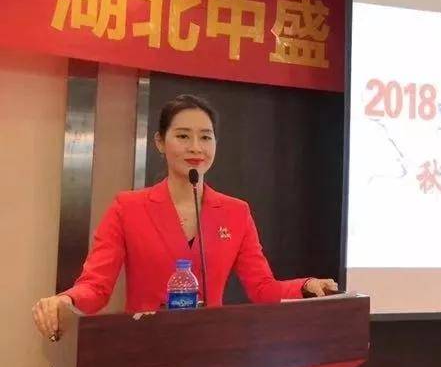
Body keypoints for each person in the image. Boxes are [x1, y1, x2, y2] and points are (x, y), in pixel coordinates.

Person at [32, 94, 337, 340]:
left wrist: (306, 285)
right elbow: (96, 287)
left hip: (212, 348)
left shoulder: (236, 212)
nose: (195, 148)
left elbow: (263, 289)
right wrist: (66, 301)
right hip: (143, 348)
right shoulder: (128, 207)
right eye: (182, 136)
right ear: (160, 142)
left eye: (205, 137)